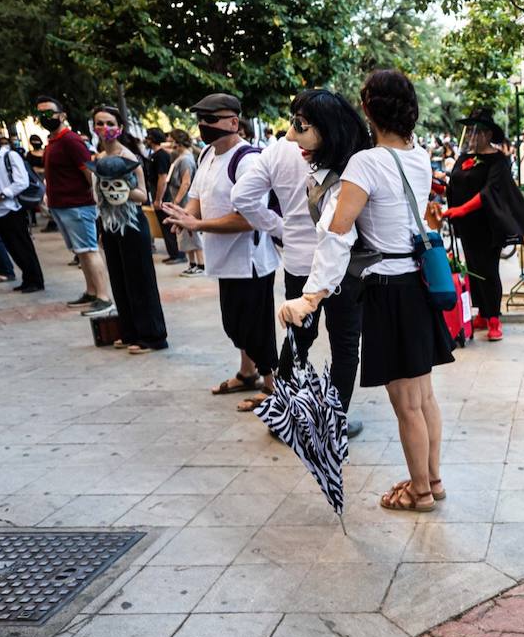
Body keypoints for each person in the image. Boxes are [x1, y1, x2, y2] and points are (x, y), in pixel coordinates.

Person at [278, 69, 449, 513]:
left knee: (406, 402)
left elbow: (337, 234)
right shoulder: (419, 156)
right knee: (423, 396)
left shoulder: (366, 164)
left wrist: (311, 297)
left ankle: (420, 492)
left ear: (369, 108)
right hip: (416, 285)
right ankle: (432, 479)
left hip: (389, 291)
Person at [236, 90, 363, 436]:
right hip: (338, 271)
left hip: (308, 264)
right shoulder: (339, 165)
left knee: (299, 341)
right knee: (339, 344)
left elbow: (242, 196)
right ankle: (329, 421)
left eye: (300, 125)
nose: (291, 136)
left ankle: (291, 418)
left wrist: (280, 229)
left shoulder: (347, 168)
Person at [161, 93, 280, 409]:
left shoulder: (248, 161)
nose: (204, 125)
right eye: (201, 119)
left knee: (255, 327)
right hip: (223, 258)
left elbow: (249, 219)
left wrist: (197, 224)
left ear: (233, 122)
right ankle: (247, 373)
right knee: (235, 323)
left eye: (211, 119)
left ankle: (272, 387)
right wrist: (185, 217)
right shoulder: (207, 155)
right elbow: (197, 197)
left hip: (250, 261)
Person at [444, 109, 524, 343]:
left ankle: (494, 318)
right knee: (473, 269)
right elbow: (454, 183)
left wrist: (462, 209)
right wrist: (440, 188)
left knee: (488, 270)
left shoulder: (498, 160)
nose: (471, 136)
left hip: (488, 226)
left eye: (476, 132)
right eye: (470, 132)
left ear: (487, 134)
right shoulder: (464, 158)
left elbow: (491, 191)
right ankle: (482, 313)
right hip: (467, 227)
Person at [90, 105, 168, 353]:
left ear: (120, 127)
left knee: (139, 280)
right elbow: (98, 197)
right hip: (109, 223)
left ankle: (152, 336)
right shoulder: (98, 159)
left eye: (110, 123)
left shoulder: (130, 157)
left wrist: (122, 188)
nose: (105, 128)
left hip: (132, 223)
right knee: (119, 279)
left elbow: (142, 195)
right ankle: (129, 332)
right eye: (100, 123)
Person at [36, 95, 114, 314]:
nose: (45, 117)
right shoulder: (54, 141)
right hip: (62, 206)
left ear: (62, 115)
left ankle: (103, 297)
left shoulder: (70, 140)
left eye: (49, 112)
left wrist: (97, 201)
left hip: (78, 205)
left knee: (89, 250)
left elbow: (89, 173)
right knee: (81, 252)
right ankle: (91, 291)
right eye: (40, 113)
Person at [0, 128, 45, 293]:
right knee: (12, 247)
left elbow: (21, 182)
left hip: (13, 208)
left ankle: (35, 280)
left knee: (23, 246)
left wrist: (2, 195)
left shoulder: (10, 156)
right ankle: (27, 279)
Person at [163, 130, 203, 275]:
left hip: (185, 203)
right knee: (185, 236)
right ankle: (192, 264)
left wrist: (176, 202)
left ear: (177, 142)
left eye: (170, 139)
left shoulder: (185, 159)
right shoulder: (181, 157)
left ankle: (201, 265)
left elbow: (186, 183)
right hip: (182, 203)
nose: (168, 142)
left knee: (192, 234)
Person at [144, 128, 185, 265]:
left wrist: (158, 199)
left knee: (169, 226)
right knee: (165, 227)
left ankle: (178, 254)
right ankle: (173, 253)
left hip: (163, 197)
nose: (146, 140)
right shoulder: (155, 154)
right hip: (159, 195)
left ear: (152, 139)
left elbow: (162, 178)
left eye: (148, 137)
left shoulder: (160, 155)